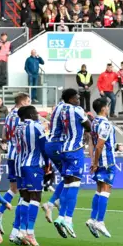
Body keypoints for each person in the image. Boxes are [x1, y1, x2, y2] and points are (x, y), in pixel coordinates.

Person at [53, 90, 92, 238]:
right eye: (76, 97)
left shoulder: (61, 109)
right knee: (75, 185)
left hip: (63, 149)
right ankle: (68, 218)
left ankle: (61, 216)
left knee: (67, 184)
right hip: (75, 150)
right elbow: (88, 126)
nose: (78, 99)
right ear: (70, 98)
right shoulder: (77, 110)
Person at [0, 93, 30, 236]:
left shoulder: (9, 115)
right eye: (28, 101)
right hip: (20, 156)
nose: (29, 103)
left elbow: (4, 132)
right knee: (24, 190)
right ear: (22, 102)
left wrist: (4, 141)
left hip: (11, 154)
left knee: (13, 188)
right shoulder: (21, 116)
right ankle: (17, 229)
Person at [42, 90, 76, 226]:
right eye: (76, 98)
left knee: (66, 176)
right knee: (71, 177)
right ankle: (53, 203)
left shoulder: (58, 108)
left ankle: (53, 202)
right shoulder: (67, 109)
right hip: (58, 145)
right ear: (71, 98)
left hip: (51, 144)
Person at [16, 105, 49, 246]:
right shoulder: (36, 126)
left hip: (22, 164)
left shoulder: (19, 128)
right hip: (34, 165)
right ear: (30, 114)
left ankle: (21, 231)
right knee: (36, 197)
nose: (37, 115)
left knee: (26, 198)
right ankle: (30, 232)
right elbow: (44, 146)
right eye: (35, 113)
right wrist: (48, 164)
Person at [87, 99, 116, 239]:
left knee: (99, 190)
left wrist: (93, 160)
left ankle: (92, 218)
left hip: (99, 161)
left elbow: (91, 143)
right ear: (104, 108)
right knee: (106, 190)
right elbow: (99, 145)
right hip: (106, 162)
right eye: (108, 106)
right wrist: (97, 162)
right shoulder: (105, 124)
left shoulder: (94, 122)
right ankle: (100, 221)